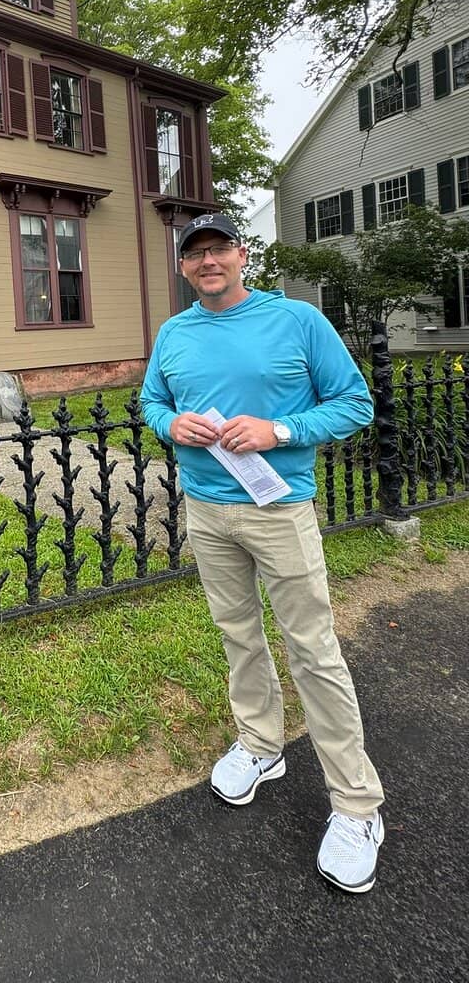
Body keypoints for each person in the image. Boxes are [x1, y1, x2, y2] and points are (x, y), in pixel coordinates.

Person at [140, 212, 385, 894]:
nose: (208, 261)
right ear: (184, 267)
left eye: (219, 248)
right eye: (196, 254)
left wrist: (278, 428)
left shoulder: (298, 321)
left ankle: (358, 806)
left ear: (241, 255)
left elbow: (354, 403)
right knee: (238, 635)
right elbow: (151, 399)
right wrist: (169, 421)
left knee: (312, 649)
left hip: (279, 508)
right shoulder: (175, 333)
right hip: (208, 510)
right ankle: (260, 746)